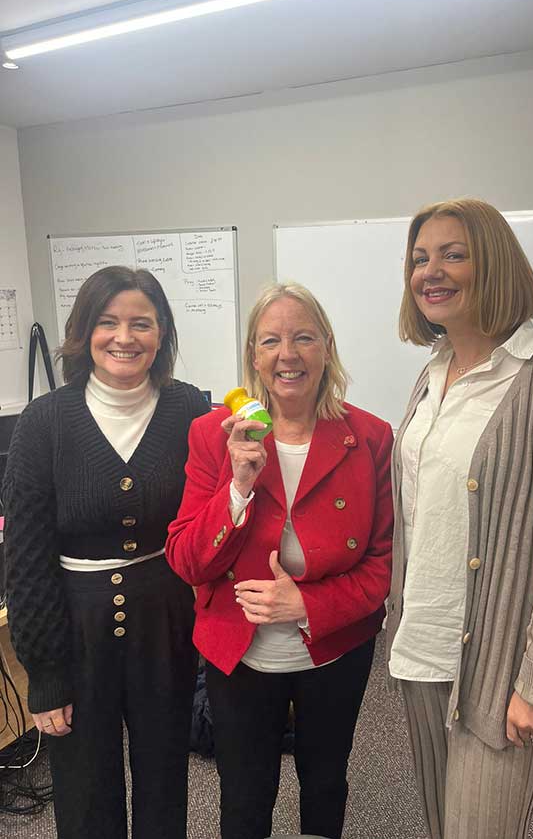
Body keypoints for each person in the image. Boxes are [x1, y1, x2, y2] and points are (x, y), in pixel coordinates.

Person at [385, 198, 533, 839]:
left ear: (493, 263)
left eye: (453, 254)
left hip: (503, 663)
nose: (430, 272)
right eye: (419, 258)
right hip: (425, 644)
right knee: (440, 825)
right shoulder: (432, 374)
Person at [166, 282, 393, 839]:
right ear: (253, 356)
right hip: (236, 651)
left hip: (334, 648)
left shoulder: (369, 438)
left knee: (324, 781)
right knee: (244, 793)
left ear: (326, 348)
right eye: (271, 340)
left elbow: (381, 566)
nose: (287, 354)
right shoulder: (211, 434)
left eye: (303, 338)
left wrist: (306, 602)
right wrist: (238, 484)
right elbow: (187, 561)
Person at [2, 266, 210, 839]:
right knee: (85, 785)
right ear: (84, 332)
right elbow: (26, 556)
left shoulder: (188, 409)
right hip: (75, 624)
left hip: (164, 619)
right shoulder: (45, 422)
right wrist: (44, 674)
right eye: (108, 322)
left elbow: (213, 514)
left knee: (165, 772)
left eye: (141, 323)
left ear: (162, 333)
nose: (125, 337)